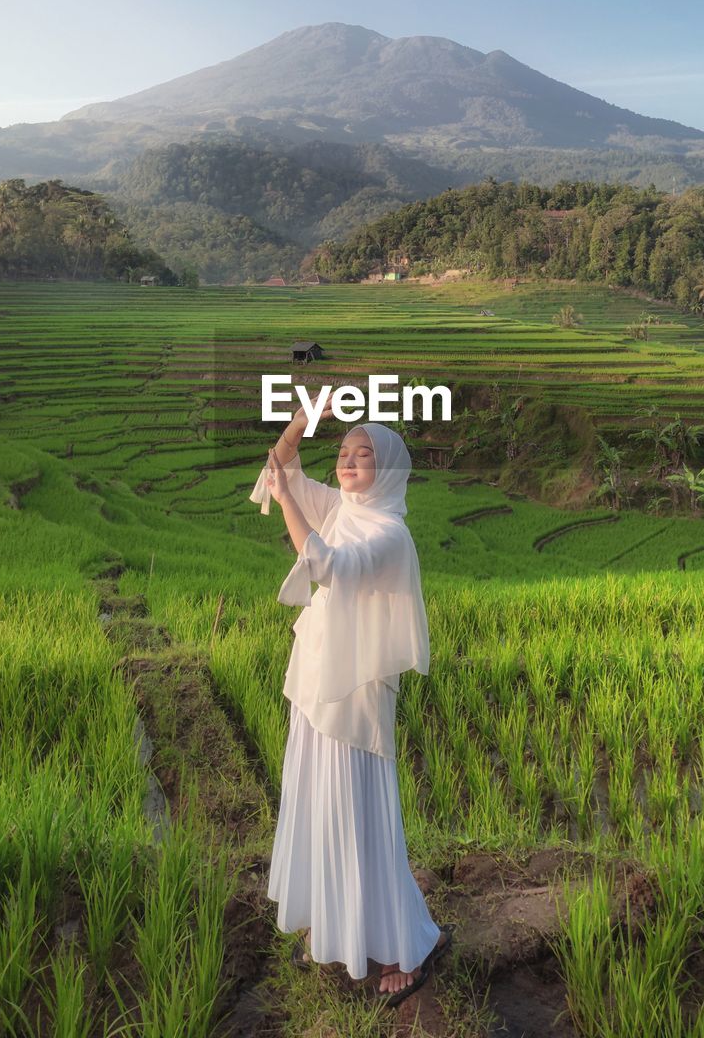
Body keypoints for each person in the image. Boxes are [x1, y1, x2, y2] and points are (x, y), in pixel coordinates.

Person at [249, 395, 453, 1007]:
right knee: (317, 797)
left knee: (360, 817)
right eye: (342, 452)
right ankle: (336, 921)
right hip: (316, 680)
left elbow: (327, 565)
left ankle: (401, 949)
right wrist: (301, 423)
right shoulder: (342, 507)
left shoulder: (389, 532)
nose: (348, 462)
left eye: (364, 455)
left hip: (356, 694)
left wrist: (289, 503)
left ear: (388, 468)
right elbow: (277, 473)